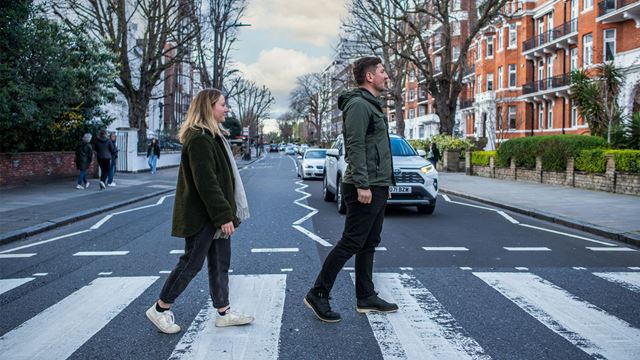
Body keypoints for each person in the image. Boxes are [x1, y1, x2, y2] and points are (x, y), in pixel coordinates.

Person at [145, 88, 253, 334]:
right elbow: (207, 182)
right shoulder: (199, 138)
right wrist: (223, 215)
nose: (226, 109)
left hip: (214, 214)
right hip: (202, 215)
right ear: (209, 107)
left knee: (220, 263)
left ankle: (223, 311)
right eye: (222, 104)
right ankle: (160, 309)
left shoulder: (213, 136)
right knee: (191, 263)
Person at [304, 57, 398, 323]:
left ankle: (366, 296)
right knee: (352, 242)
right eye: (382, 72)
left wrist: (384, 183)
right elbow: (355, 146)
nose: (386, 76)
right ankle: (318, 293)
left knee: (369, 242)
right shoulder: (358, 105)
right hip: (363, 184)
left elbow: (377, 149)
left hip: (377, 184)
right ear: (370, 77)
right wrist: (363, 184)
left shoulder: (372, 105)